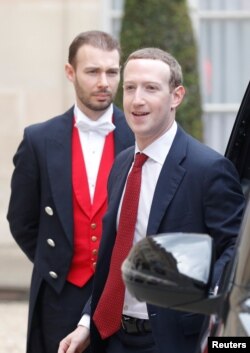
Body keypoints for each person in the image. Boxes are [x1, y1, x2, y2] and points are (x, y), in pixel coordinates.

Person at [58, 47, 245, 353]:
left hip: (174, 341)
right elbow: (116, 257)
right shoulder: (121, 166)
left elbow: (234, 252)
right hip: (113, 336)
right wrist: (86, 323)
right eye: (130, 88)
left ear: (176, 96)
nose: (137, 99)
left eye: (151, 88)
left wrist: (211, 321)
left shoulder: (208, 169)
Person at [7, 30, 134, 353]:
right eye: (92, 71)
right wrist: (55, 263)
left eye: (112, 71)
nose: (104, 82)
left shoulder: (139, 138)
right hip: (60, 293)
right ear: (70, 72)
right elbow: (21, 220)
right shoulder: (39, 140)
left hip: (122, 295)